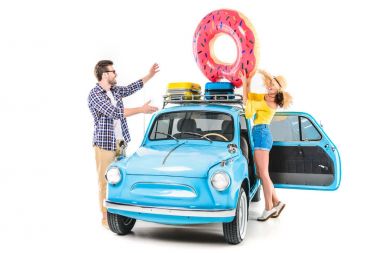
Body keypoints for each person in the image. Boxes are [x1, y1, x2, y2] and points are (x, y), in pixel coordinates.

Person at [88, 60, 159, 228]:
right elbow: (115, 112)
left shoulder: (114, 91)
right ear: (104, 75)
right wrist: (141, 110)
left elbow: (131, 88)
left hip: (120, 143)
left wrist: (149, 75)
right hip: (104, 145)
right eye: (113, 71)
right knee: (105, 181)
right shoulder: (95, 95)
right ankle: (105, 217)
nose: (116, 74)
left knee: (120, 179)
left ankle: (119, 214)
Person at [241, 69, 293, 221]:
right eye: (270, 83)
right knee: (261, 173)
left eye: (274, 84)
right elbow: (249, 96)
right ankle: (277, 202)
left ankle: (269, 208)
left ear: (279, 88)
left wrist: (244, 82)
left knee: (263, 174)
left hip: (262, 134)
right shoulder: (265, 97)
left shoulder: (271, 101)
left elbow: (246, 102)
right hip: (259, 133)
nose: (270, 86)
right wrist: (248, 82)